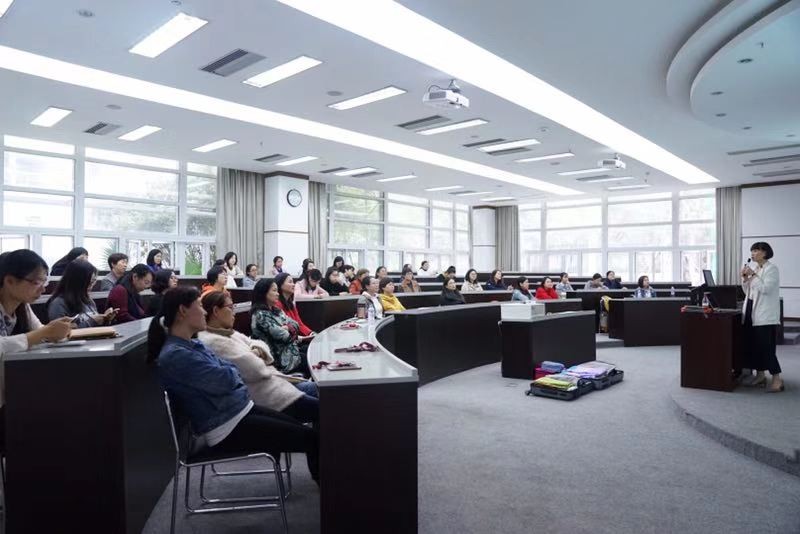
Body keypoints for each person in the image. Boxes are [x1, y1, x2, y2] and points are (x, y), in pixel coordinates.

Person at [148, 285, 319, 480]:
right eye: (199, 306)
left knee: (310, 431)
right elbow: (229, 380)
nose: (204, 312)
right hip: (226, 427)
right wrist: (232, 373)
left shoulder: (192, 344)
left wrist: (231, 373)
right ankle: (331, 494)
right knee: (312, 438)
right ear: (183, 311)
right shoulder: (176, 355)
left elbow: (230, 374)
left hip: (241, 411)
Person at [198, 291, 318, 422]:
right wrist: (257, 353)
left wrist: (255, 351)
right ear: (216, 311)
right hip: (271, 397)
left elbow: (260, 343)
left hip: (279, 383)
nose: (234, 313)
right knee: (326, 405)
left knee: (325, 390)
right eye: (231, 307)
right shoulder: (213, 341)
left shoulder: (229, 332)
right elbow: (255, 369)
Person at [0, 250, 73, 408]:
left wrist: (56, 331)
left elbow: (41, 331)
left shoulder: (23, 307)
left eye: (44, 282)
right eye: (36, 282)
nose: (43, 289)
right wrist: (46, 332)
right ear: (10, 281)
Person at [741, 242, 783, 392]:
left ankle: (777, 380)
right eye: (752, 251)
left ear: (764, 253)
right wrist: (745, 279)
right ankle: (760, 376)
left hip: (765, 314)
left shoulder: (772, 269)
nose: (752, 254)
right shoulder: (757, 268)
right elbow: (748, 292)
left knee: (766, 348)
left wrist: (752, 276)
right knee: (755, 346)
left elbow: (766, 289)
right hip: (751, 311)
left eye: (756, 251)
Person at [251, 278, 313, 375]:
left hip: (290, 351)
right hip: (280, 359)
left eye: (277, 291)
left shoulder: (277, 310)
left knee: (312, 351)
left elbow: (296, 324)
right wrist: (288, 328)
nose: (278, 294)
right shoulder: (260, 315)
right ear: (264, 293)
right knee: (311, 361)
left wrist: (287, 328)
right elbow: (285, 337)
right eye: (274, 291)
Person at [47, 260, 117, 327]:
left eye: (94, 281)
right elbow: (59, 331)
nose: (92, 286)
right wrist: (92, 322)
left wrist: (105, 319)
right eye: (90, 282)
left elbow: (95, 326)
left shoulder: (88, 300)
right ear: (78, 282)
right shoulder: (59, 303)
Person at [273, 273, 316, 340]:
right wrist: (301, 338)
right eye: (290, 282)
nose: (293, 284)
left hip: (296, 338)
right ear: (280, 285)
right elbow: (282, 328)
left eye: (293, 282)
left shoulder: (291, 304)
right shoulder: (277, 304)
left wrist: (311, 333)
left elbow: (299, 324)